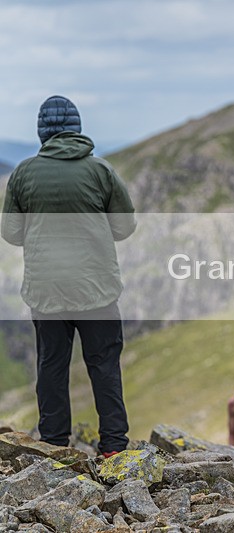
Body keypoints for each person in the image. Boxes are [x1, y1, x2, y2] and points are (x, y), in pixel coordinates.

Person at [1, 95, 137, 457]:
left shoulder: (24, 173)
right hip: (97, 289)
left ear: (41, 132)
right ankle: (113, 447)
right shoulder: (101, 171)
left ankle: (54, 446)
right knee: (104, 365)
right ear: (77, 128)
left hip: (47, 291)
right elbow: (124, 227)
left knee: (51, 367)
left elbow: (11, 233)